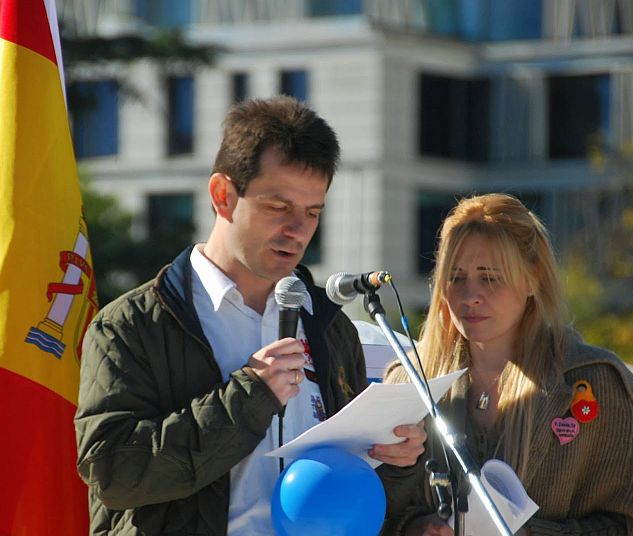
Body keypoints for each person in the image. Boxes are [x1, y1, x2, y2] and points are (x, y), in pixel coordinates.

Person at [74, 96, 426, 535]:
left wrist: (398, 463)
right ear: (223, 196)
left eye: (312, 213)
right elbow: (113, 473)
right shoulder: (131, 325)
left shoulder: (329, 326)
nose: (298, 231)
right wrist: (248, 396)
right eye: (278, 208)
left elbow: (352, 492)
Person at [382, 193, 633, 535]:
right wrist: (414, 528)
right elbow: (367, 512)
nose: (470, 295)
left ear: (533, 279)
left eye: (490, 277)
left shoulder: (593, 382)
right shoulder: (407, 384)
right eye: (456, 277)